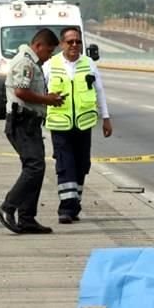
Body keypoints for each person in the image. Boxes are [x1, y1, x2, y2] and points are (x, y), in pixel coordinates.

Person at [0, 28, 65, 234]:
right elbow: (21, 92)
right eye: (49, 51)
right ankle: (8, 207)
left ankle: (27, 218)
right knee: (34, 167)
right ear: (38, 46)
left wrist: (48, 98)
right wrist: (47, 100)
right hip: (21, 122)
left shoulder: (32, 62)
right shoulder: (25, 62)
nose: (50, 56)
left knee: (36, 167)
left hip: (30, 123)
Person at [43, 26, 112, 223]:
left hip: (83, 124)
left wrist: (106, 118)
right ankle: (65, 208)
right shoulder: (50, 65)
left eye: (78, 41)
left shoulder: (89, 64)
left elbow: (99, 92)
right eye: (70, 41)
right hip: (60, 125)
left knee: (82, 165)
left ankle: (74, 204)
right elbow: (41, 93)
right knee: (66, 166)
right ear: (62, 44)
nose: (74, 45)